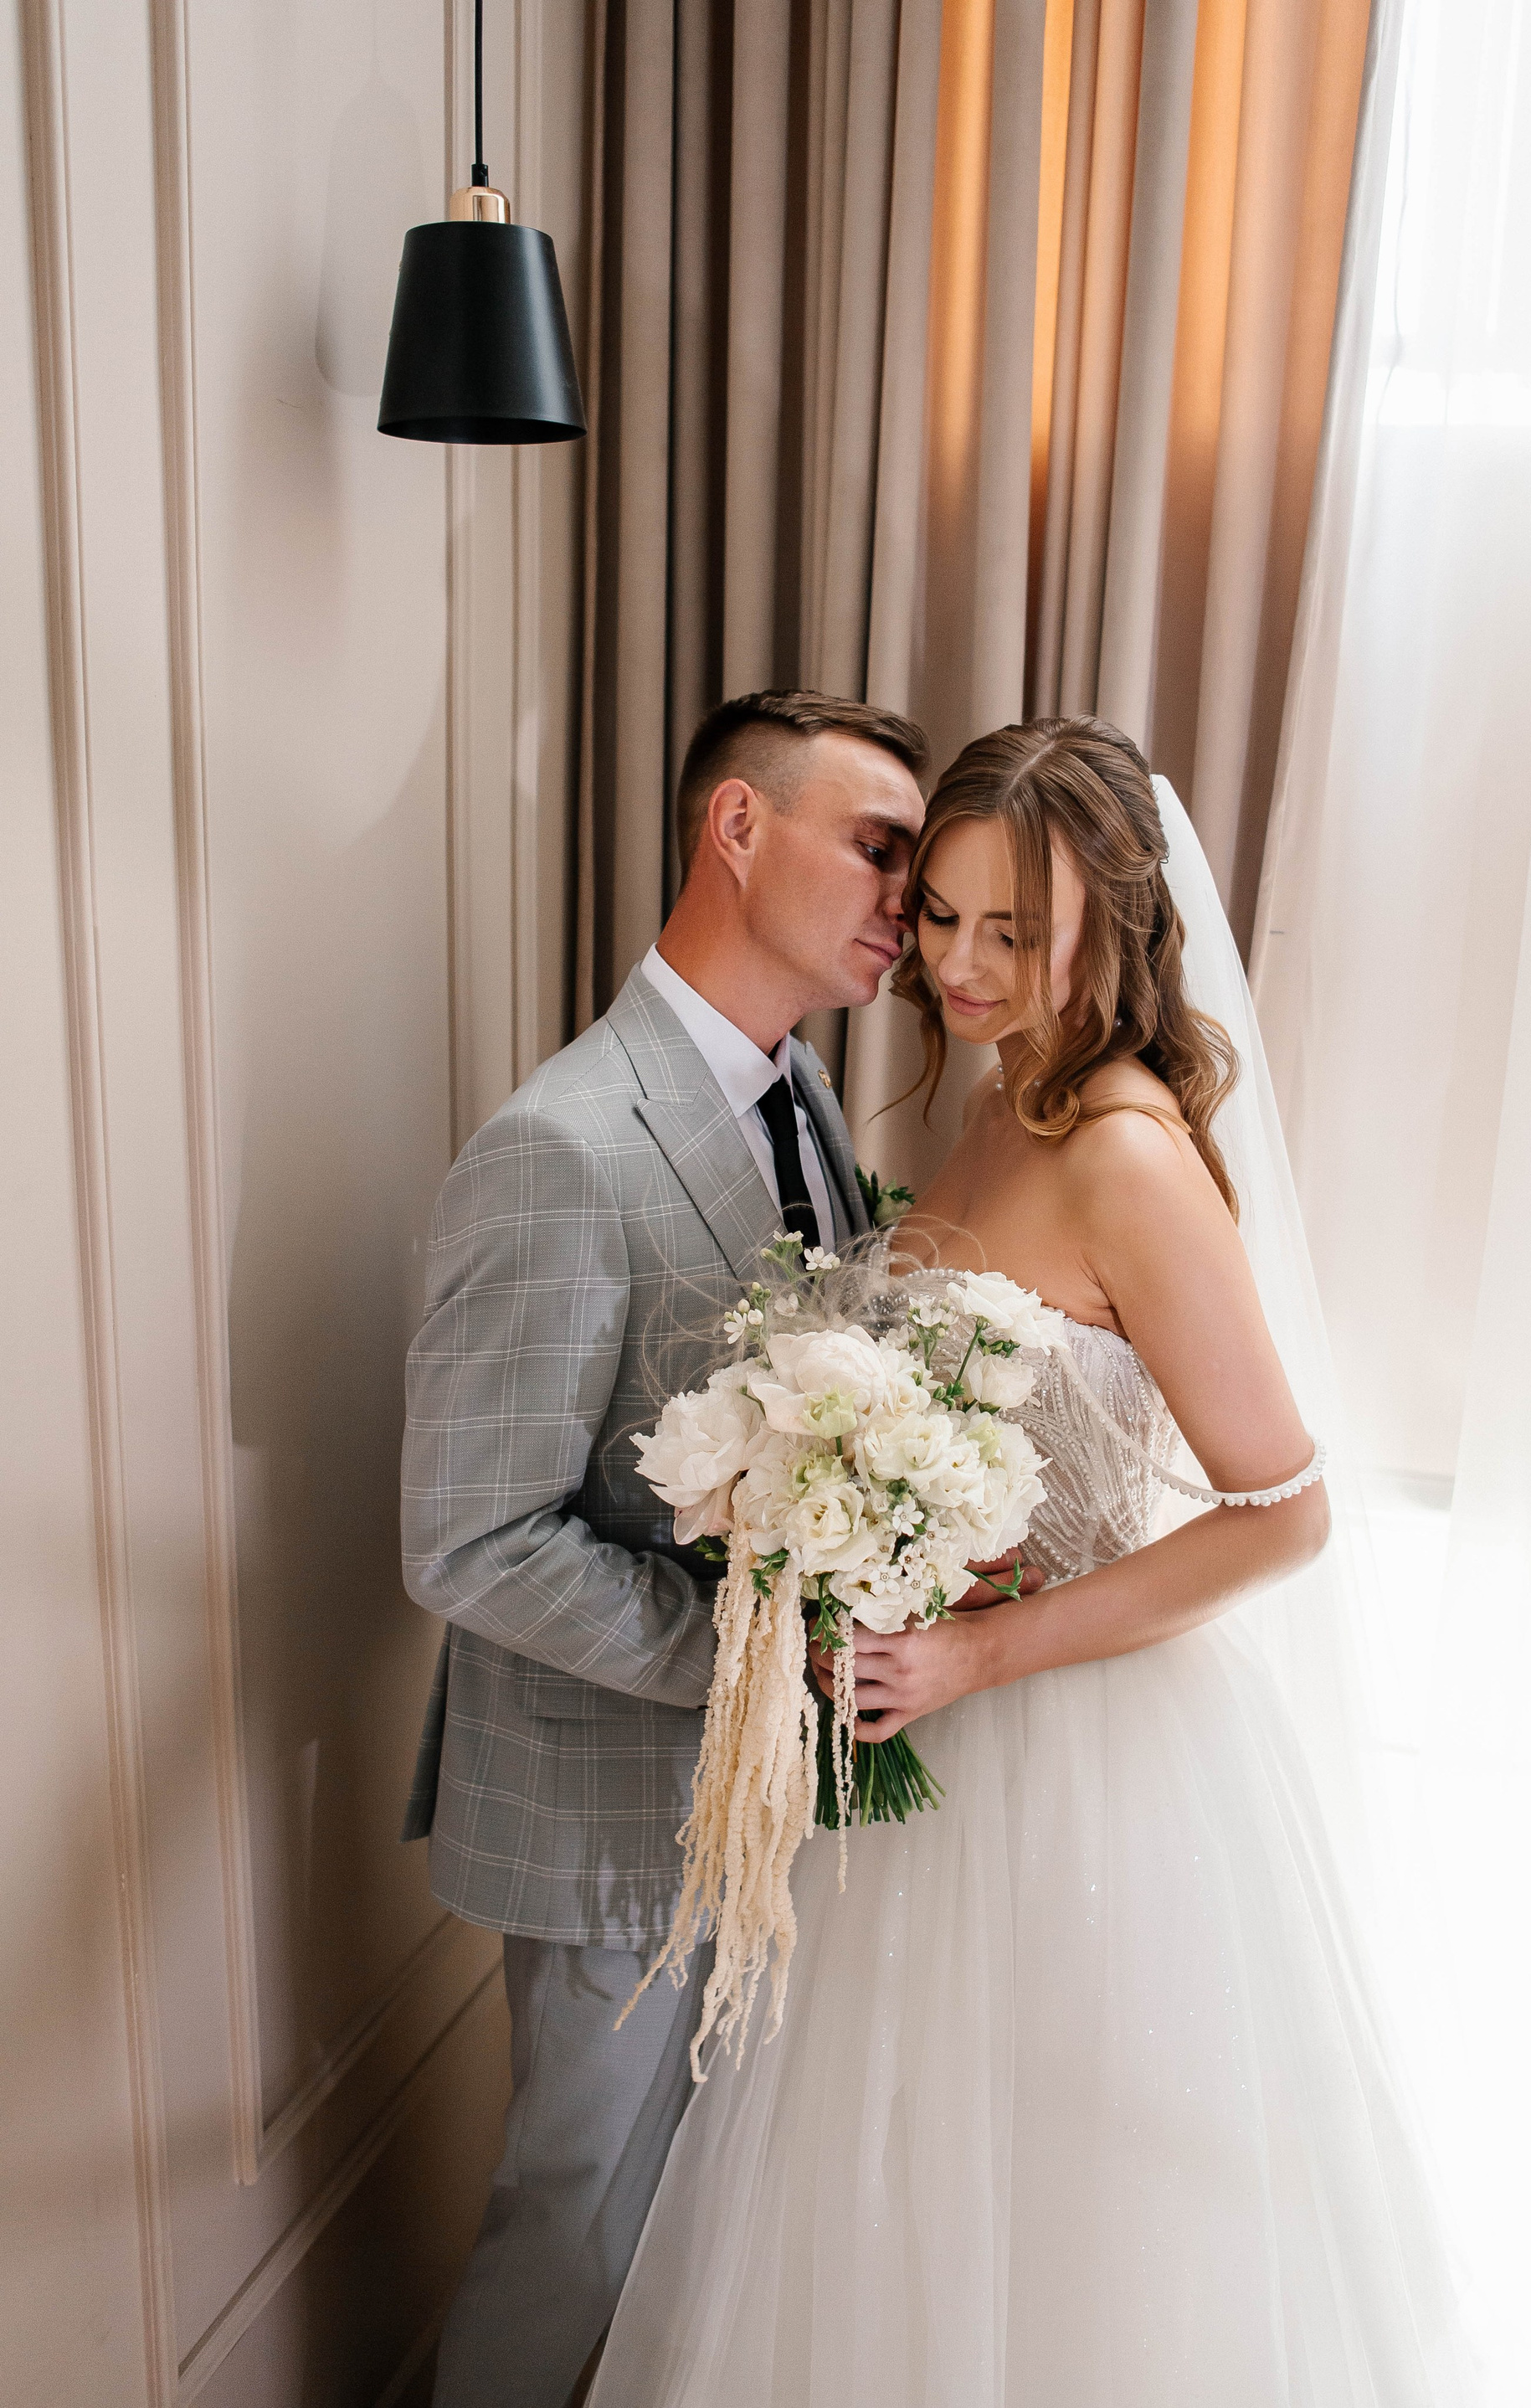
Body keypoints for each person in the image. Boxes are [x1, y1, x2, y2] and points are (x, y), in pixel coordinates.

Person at [588, 718, 1480, 2406]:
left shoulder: (1126, 1152)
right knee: (899, 2195)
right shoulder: (1006, 1095)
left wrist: (982, 1652)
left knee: (1079, 2222)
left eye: (1016, 930)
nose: (961, 965)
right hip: (932, 1725)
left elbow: (1288, 1509)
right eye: (942, 914)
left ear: (1112, 922)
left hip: (1077, 1751)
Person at [399, 689, 932, 2408]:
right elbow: (472, 1540)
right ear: (738, 827)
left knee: (698, 2234)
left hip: (756, 1810)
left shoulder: (804, 1096)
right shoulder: (559, 1145)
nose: (908, 901)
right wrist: (761, 1662)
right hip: (608, 1807)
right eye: (879, 847)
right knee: (576, 2237)